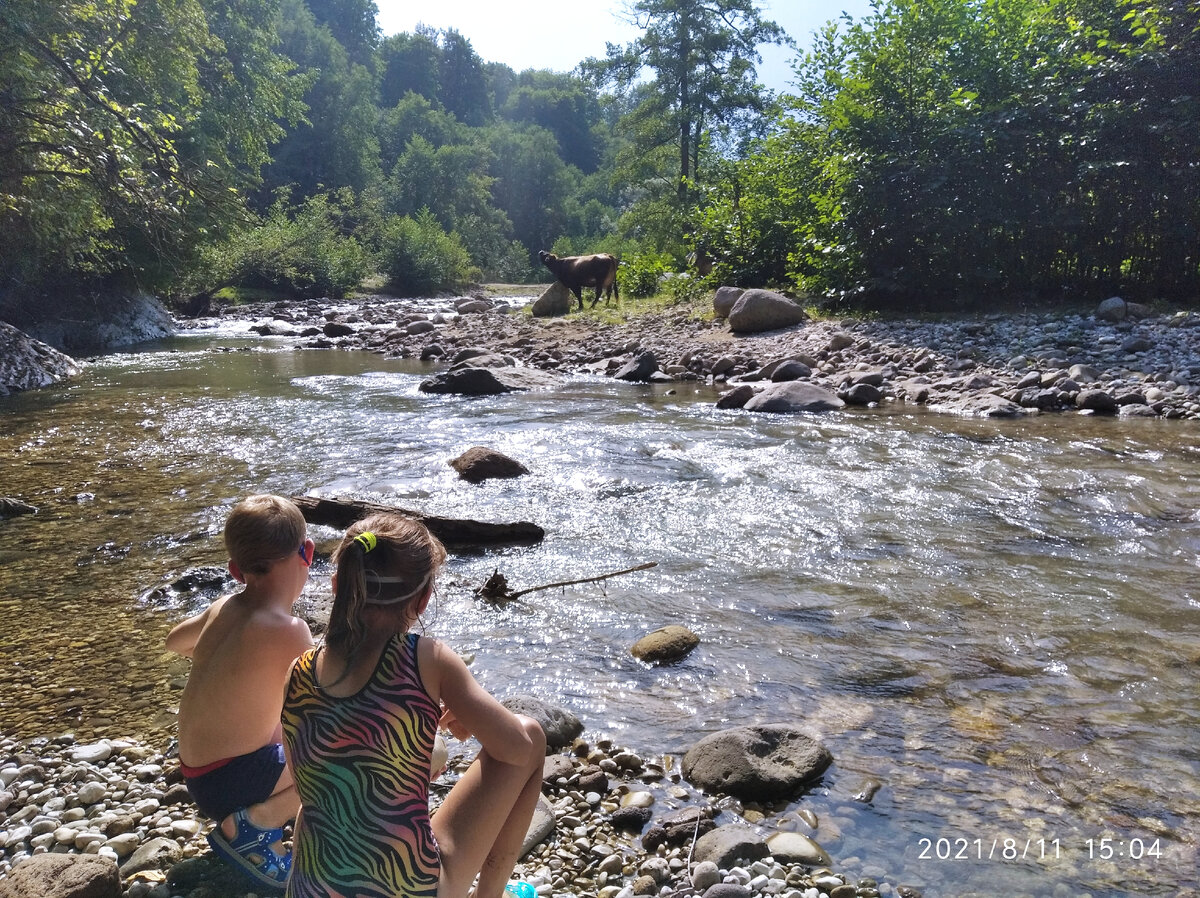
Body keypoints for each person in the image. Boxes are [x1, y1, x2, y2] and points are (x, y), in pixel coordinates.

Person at [281, 513, 546, 898]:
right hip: (409, 888)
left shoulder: (298, 670)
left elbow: (308, 778)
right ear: (422, 600)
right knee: (533, 735)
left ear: (339, 586)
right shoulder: (429, 659)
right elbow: (516, 749)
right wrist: (478, 712)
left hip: (314, 887)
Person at [166, 494, 316, 889]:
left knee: (284, 721)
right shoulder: (290, 630)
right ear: (309, 554)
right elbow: (327, 701)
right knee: (346, 751)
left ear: (235, 569)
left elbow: (174, 642)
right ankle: (255, 825)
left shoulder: (223, 606)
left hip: (201, 776)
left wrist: (227, 663)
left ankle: (256, 812)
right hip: (234, 784)